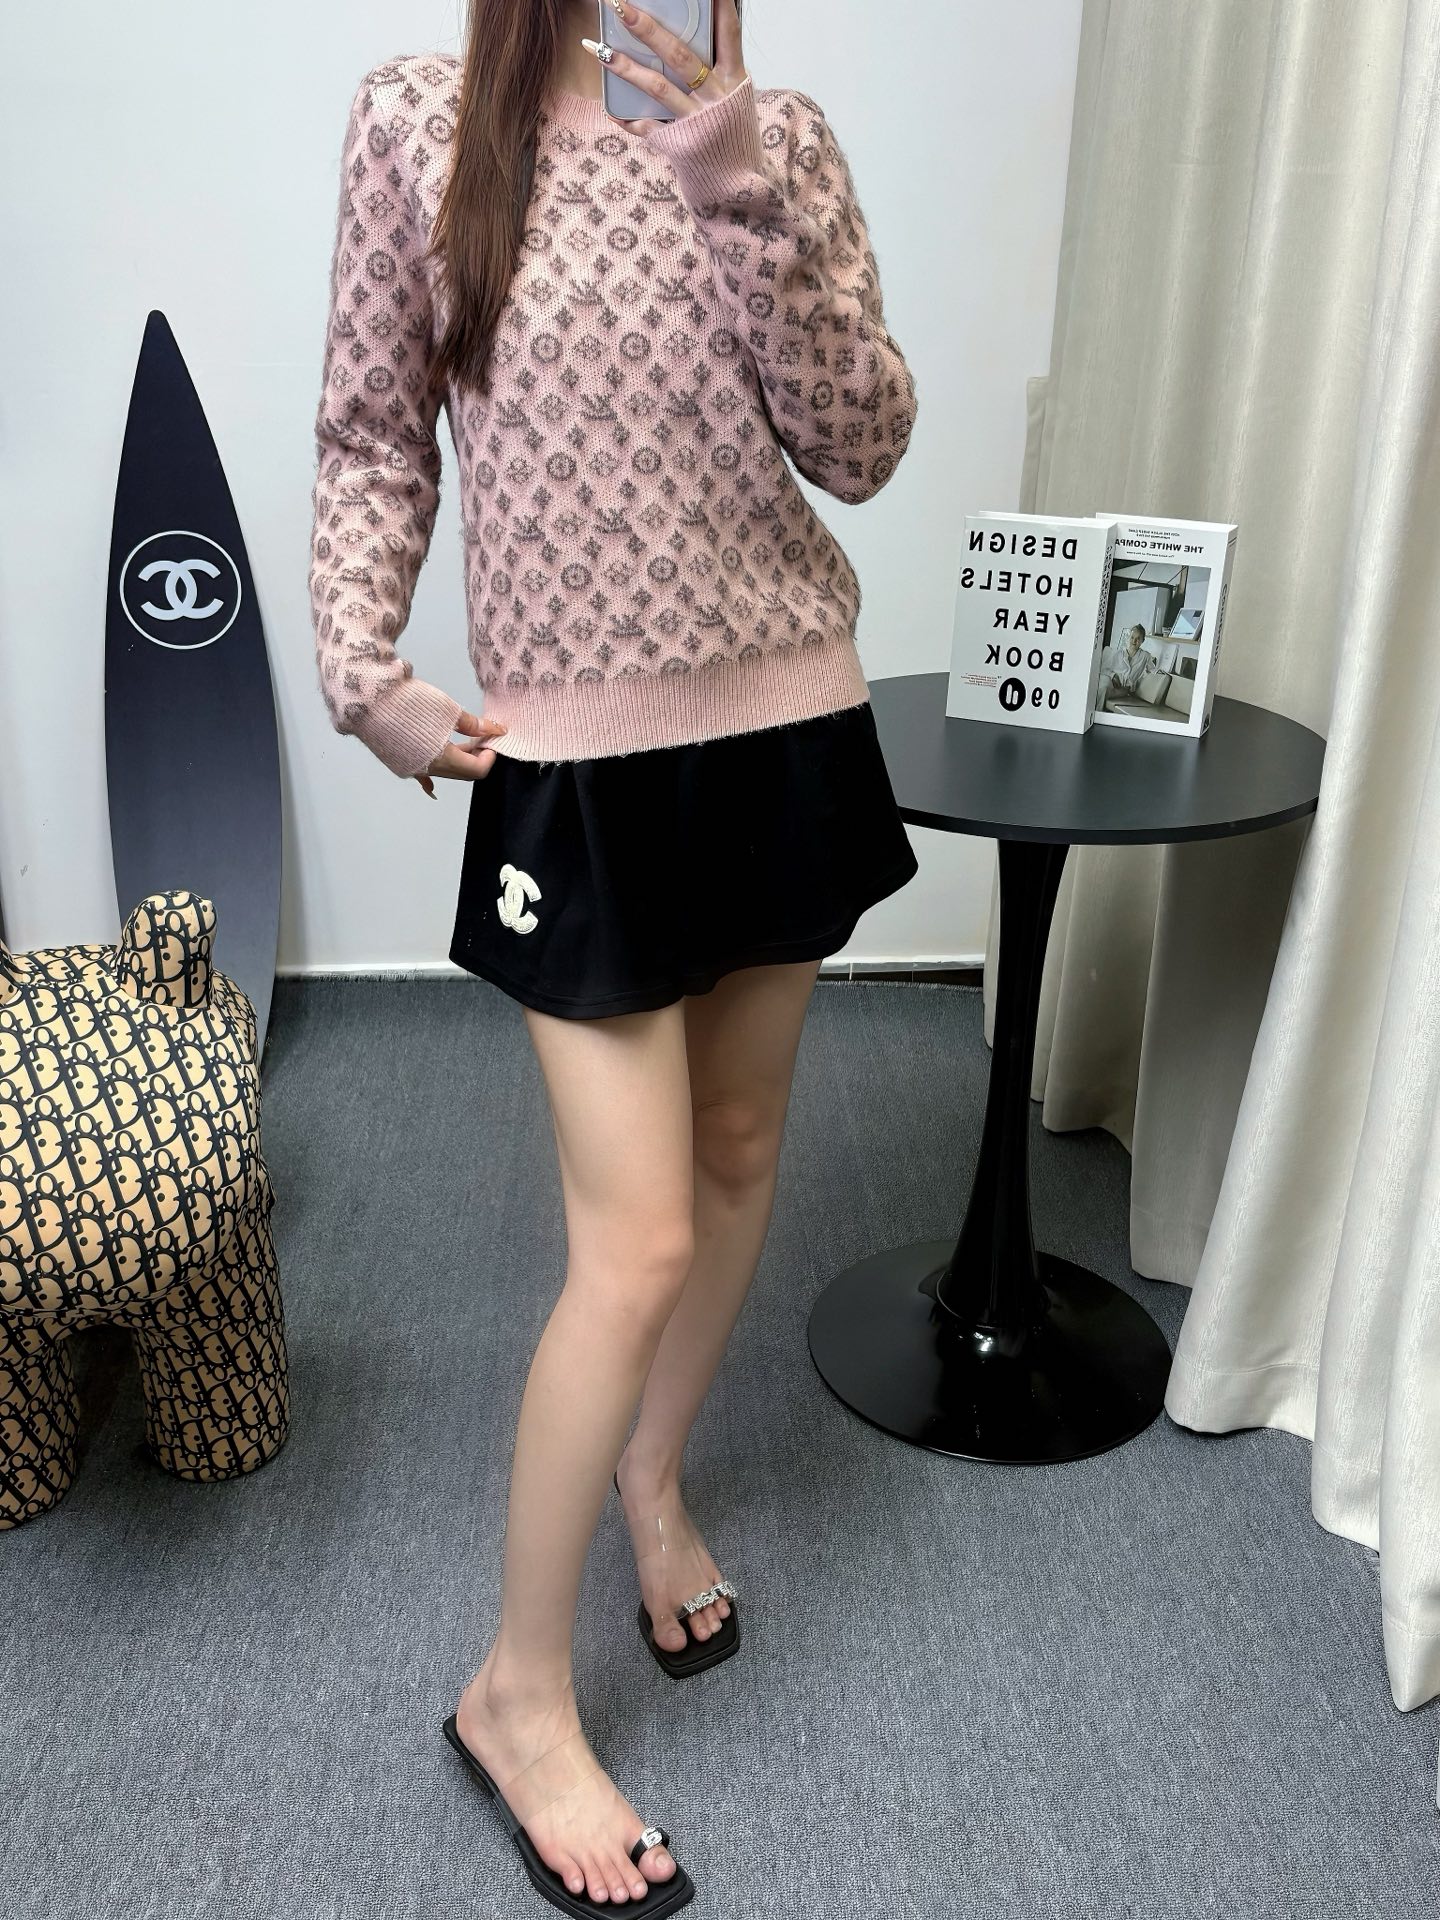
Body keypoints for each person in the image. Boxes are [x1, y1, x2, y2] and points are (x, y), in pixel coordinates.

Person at [307, 2, 918, 1911]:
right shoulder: (421, 123)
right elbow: (370, 427)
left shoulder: (776, 137)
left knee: (736, 1156)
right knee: (634, 1237)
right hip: (578, 766)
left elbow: (865, 445)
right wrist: (361, 670)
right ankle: (517, 1691)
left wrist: (736, 182)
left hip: (786, 722)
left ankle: (656, 1479)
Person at [1100, 623, 1155, 706]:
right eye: (1132, 637)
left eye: (1138, 638)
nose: (1134, 641)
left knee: (1104, 692)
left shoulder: (1145, 656)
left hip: (1126, 690)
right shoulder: (1118, 653)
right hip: (1112, 683)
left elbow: (1153, 670)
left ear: (1142, 640)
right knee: (1102, 688)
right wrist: (1113, 675)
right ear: (1129, 637)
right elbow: (1103, 669)